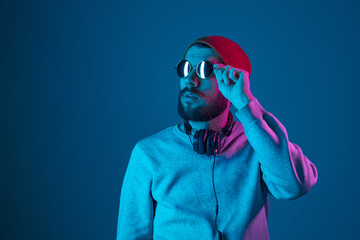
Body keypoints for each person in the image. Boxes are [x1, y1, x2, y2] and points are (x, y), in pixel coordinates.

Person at [116, 36, 318, 240]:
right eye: (185, 68)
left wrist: (246, 102)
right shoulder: (149, 153)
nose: (191, 80)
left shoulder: (258, 144)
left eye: (205, 70)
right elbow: (131, 235)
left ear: (233, 78)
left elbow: (295, 186)